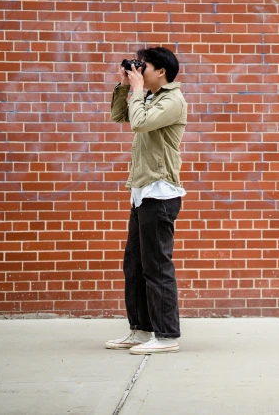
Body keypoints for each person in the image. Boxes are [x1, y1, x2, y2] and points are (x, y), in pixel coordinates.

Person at [106, 46, 187, 354]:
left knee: (157, 267)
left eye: (145, 66)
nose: (140, 70)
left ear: (161, 72)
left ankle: (167, 336)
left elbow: (139, 122)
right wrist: (125, 87)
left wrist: (138, 91)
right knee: (135, 265)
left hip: (160, 192)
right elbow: (120, 115)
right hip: (142, 191)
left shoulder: (172, 101)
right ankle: (140, 330)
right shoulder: (150, 98)